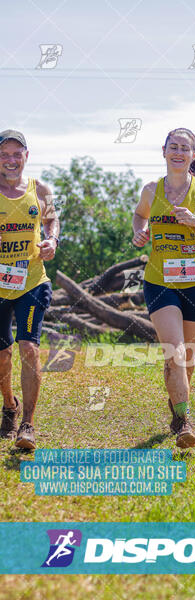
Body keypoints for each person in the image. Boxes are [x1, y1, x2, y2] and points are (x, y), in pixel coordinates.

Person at [132, 127, 195, 448]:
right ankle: (186, 421)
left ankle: (176, 411)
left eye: (184, 148)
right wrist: (141, 231)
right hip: (160, 282)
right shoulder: (151, 190)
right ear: (163, 152)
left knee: (186, 356)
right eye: (172, 146)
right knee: (174, 351)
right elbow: (139, 216)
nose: (178, 152)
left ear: (194, 154)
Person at [0, 130, 59, 449]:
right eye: (4, 154)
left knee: (28, 347)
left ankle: (27, 425)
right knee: (2, 355)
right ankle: (10, 405)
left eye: (16, 153)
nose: (11, 160)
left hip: (33, 281)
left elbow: (52, 221)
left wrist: (52, 240)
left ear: (26, 155)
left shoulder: (41, 190)